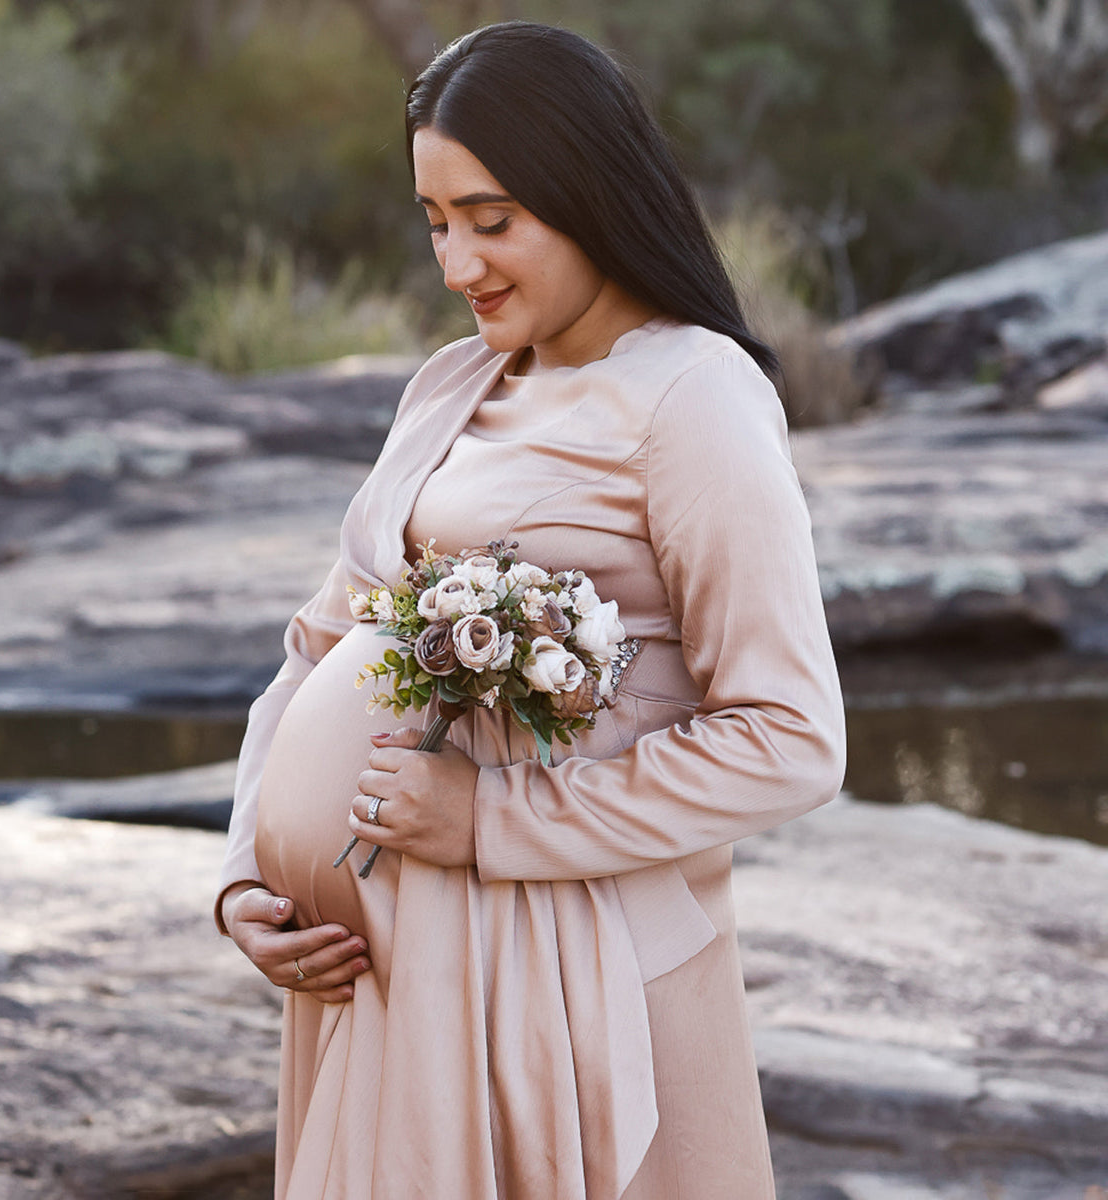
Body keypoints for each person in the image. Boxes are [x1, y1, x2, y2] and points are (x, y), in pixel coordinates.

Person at [216, 20, 845, 1200]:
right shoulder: (453, 383)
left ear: (590, 193)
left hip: (559, 979)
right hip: (380, 974)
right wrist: (252, 874)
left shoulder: (693, 396)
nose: (459, 265)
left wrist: (492, 819)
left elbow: (791, 739)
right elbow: (316, 650)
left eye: (493, 220)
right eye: (436, 222)